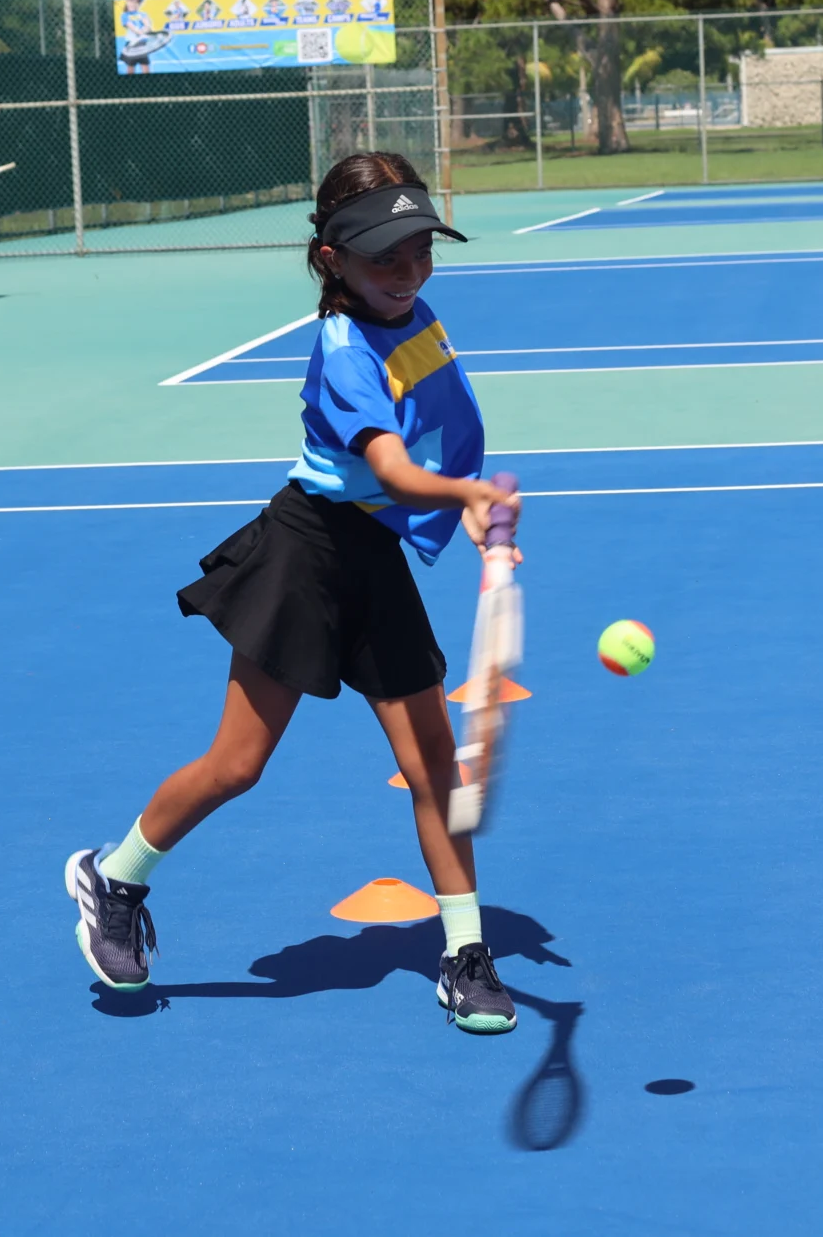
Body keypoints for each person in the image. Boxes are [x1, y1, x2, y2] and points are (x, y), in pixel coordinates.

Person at [65, 152, 523, 1033]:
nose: (407, 269)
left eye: (420, 248)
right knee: (238, 763)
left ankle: (465, 951)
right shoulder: (343, 348)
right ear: (331, 258)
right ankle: (114, 876)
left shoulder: (417, 319)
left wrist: (459, 502)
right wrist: (461, 496)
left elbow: (436, 431)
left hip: (374, 555)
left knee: (435, 766)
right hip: (305, 553)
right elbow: (387, 461)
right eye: (384, 254)